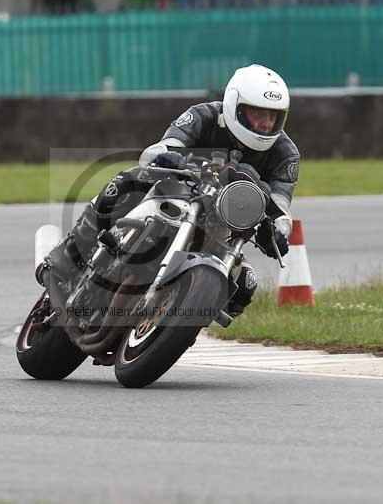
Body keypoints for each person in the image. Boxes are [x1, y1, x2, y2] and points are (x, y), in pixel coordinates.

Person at [45, 64, 300, 317]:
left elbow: (281, 205)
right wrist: (168, 154)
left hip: (224, 226)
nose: (266, 123)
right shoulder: (204, 116)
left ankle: (177, 319)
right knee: (125, 183)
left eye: (273, 116)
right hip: (178, 193)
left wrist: (277, 232)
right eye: (258, 113)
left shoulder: (284, 154)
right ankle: (72, 250)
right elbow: (167, 143)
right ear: (236, 107)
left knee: (245, 286)